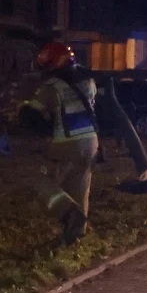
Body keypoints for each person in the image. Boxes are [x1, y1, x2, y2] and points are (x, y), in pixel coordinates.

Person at [23, 42, 98, 245]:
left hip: (66, 143)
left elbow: (31, 115)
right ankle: (76, 235)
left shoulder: (51, 87)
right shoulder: (88, 81)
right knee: (80, 188)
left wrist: (23, 109)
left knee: (41, 183)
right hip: (91, 142)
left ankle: (68, 212)